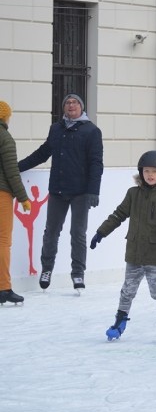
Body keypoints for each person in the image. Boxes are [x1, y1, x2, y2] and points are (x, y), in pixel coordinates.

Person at [89, 151, 156, 341]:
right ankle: (119, 321)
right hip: (135, 253)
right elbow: (118, 215)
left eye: (155, 171)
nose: (150, 175)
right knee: (127, 290)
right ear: (141, 172)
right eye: (147, 171)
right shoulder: (133, 194)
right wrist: (101, 232)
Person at [18, 93, 104, 292]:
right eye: (67, 102)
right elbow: (42, 153)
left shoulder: (91, 131)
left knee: (77, 233)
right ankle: (47, 269)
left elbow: (96, 163)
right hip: (57, 189)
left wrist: (93, 190)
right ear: (64, 108)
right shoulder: (56, 129)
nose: (71, 105)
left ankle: (78, 274)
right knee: (51, 232)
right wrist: (17, 167)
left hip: (81, 192)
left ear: (81, 108)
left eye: (75, 102)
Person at [0, 100, 31, 305]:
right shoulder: (5, 137)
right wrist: (23, 198)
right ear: (6, 117)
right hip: (1, 194)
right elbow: (12, 172)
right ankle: (3, 288)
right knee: (3, 241)